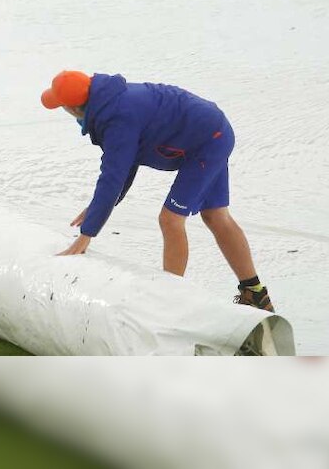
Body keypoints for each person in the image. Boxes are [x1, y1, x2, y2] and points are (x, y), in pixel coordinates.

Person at [41, 69, 274, 312]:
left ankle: (169, 300)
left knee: (171, 219)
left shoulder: (117, 119)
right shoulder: (110, 100)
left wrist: (87, 234)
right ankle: (255, 294)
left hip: (207, 140)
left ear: (72, 109)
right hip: (212, 130)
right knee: (215, 215)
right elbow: (124, 166)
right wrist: (96, 208)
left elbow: (113, 175)